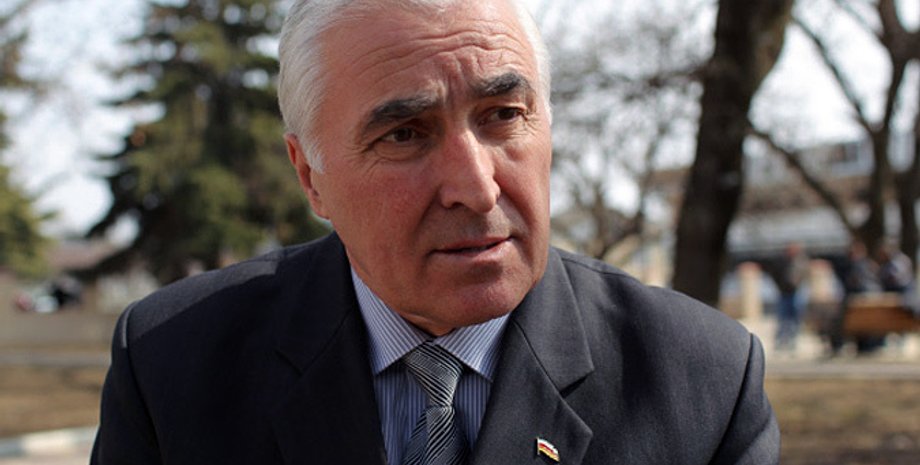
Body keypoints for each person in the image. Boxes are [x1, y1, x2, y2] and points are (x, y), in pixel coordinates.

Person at [91, 1, 779, 464]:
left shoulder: (703, 383)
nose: (477, 188)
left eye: (503, 115)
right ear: (310, 177)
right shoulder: (171, 367)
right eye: (404, 134)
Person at [773, 242, 809, 352]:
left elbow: (804, 274)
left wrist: (796, 284)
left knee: (795, 318)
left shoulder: (801, 261)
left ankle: (793, 342)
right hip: (784, 293)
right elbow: (775, 274)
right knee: (783, 318)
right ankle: (780, 342)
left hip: (796, 292)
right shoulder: (781, 262)